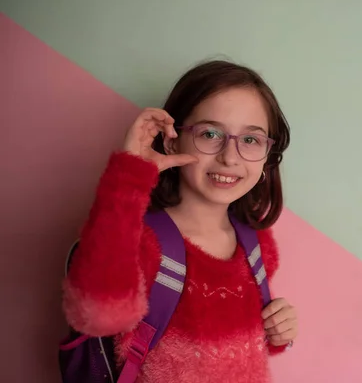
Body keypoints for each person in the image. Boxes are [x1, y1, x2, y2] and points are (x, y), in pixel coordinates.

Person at [61, 60, 298, 383]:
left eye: (251, 140)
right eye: (210, 134)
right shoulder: (140, 239)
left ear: (268, 154)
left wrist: (277, 331)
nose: (230, 157)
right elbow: (97, 316)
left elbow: (234, 348)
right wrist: (130, 174)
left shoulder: (256, 241)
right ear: (172, 140)